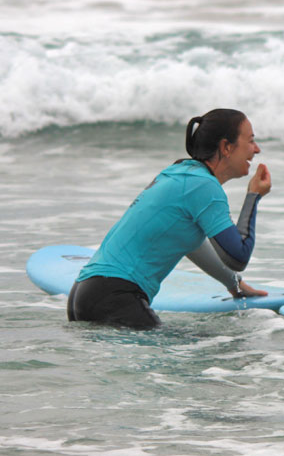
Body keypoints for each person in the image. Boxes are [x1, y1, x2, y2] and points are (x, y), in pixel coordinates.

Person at [68, 109, 272, 329]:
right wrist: (253, 196)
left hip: (85, 294)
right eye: (251, 141)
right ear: (226, 147)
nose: (257, 149)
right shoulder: (204, 186)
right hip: (116, 296)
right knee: (200, 353)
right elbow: (238, 257)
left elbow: (191, 245)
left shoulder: (181, 173)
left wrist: (234, 284)